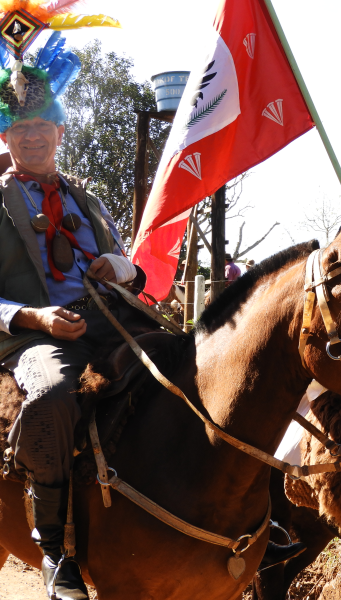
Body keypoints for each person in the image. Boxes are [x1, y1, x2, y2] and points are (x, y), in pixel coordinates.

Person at [0, 28, 154, 600]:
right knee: (50, 397)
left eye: (43, 125)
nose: (33, 135)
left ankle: (256, 516)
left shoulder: (88, 199)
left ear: (60, 131)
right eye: (21, 127)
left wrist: (121, 266)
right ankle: (53, 550)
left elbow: (133, 269)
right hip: (40, 336)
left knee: (208, 364)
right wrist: (35, 318)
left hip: (116, 321)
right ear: (6, 135)